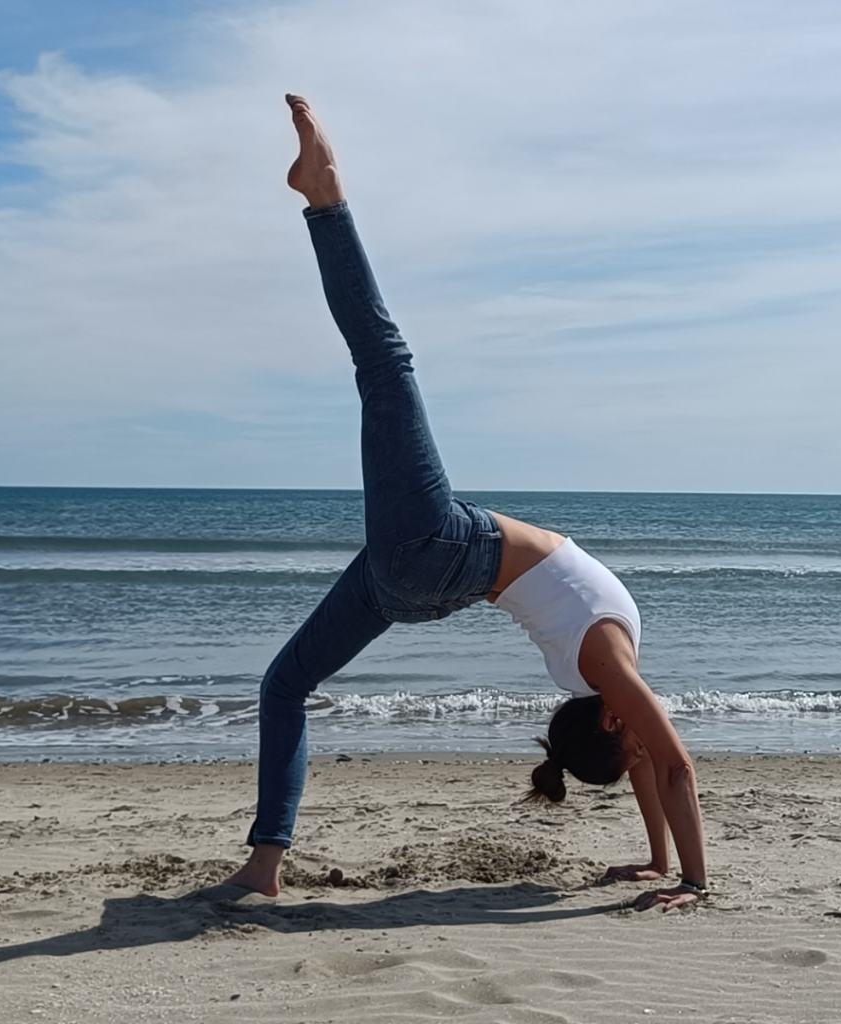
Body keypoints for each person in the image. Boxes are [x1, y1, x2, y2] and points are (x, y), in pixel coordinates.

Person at [226, 95, 707, 912]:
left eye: (626, 748)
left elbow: (674, 767)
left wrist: (694, 880)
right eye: (633, 753)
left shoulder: (606, 668)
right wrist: (658, 864)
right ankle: (263, 866)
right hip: (419, 588)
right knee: (285, 684)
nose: (641, 752)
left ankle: (324, 195)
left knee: (386, 363)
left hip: (444, 552)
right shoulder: (600, 677)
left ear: (610, 725)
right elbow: (650, 768)